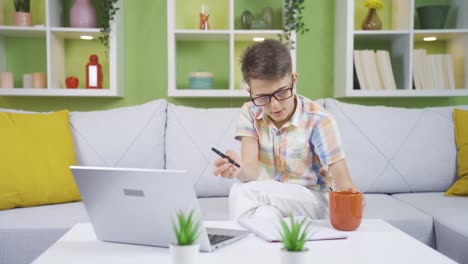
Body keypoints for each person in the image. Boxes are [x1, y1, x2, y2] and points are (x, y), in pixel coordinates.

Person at [213, 39, 360, 220]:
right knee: (264, 216)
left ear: (294, 80)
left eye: (282, 93)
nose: (274, 105)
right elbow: (251, 170)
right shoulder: (249, 113)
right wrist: (238, 168)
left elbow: (343, 181)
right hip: (269, 197)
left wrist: (352, 206)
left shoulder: (320, 120)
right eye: (262, 97)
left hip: (312, 200)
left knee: (241, 190)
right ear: (250, 92)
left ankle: (235, 240)